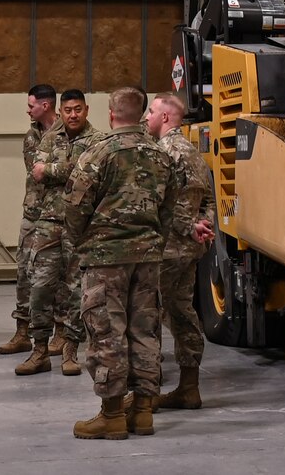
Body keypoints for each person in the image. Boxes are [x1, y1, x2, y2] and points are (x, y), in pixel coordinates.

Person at [60, 86, 178, 440]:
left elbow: (75, 207)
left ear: (111, 114)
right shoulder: (161, 156)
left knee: (107, 333)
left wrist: (84, 241)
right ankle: (142, 413)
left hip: (105, 258)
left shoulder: (99, 153)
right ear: (141, 114)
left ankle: (111, 416)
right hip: (148, 257)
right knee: (146, 332)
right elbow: (169, 211)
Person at [16, 86, 100, 379]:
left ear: (86, 110)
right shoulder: (49, 137)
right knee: (39, 287)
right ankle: (39, 351)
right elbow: (36, 172)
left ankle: (70, 351)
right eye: (68, 110)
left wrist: (52, 169)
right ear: (60, 111)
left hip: (80, 227)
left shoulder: (98, 140)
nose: (73, 115)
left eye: (78, 109)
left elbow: (88, 175)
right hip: (48, 222)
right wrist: (63, 170)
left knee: (76, 291)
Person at [146, 90, 216, 410]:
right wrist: (203, 227)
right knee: (182, 312)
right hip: (189, 251)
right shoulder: (193, 151)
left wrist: (189, 226)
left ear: (165, 117)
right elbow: (210, 199)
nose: (146, 117)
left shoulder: (163, 153)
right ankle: (190, 387)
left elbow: (163, 202)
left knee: (147, 312)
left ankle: (146, 392)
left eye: (150, 112)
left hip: (166, 249)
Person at [0, 83, 57, 357]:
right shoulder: (31, 136)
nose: (27, 110)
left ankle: (59, 334)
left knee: (59, 277)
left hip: (59, 216)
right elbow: (35, 174)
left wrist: (51, 171)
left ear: (45, 105)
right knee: (24, 272)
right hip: (33, 214)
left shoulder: (67, 134)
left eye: (31, 105)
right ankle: (22, 331)